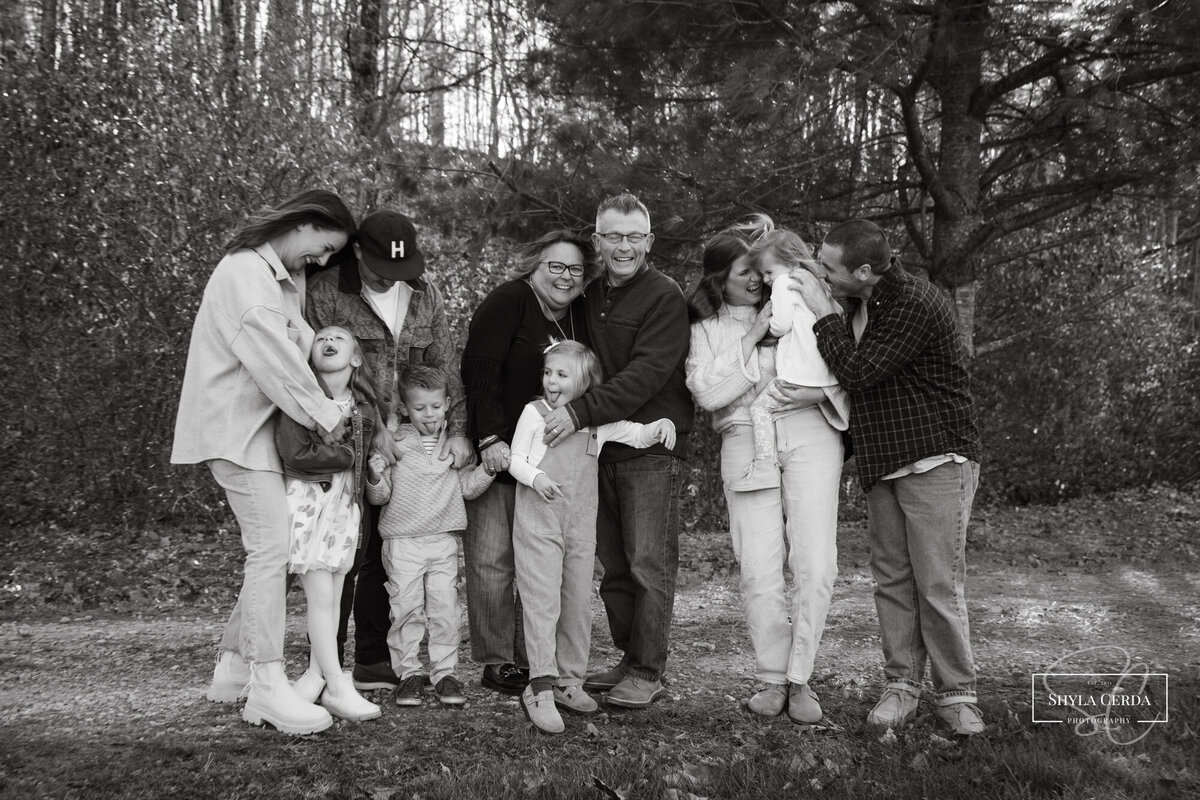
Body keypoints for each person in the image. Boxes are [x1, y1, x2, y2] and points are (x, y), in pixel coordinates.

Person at [172, 189, 355, 735]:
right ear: (301, 223)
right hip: (236, 431)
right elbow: (278, 362)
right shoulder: (246, 275)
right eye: (322, 248)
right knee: (272, 550)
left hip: (254, 433)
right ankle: (268, 687)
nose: (320, 262)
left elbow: (295, 340)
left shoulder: (274, 275)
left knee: (269, 550)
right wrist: (327, 414)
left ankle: (233, 669)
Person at [792, 218, 984, 736]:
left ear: (864, 270)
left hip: (935, 458)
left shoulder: (914, 302)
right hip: (883, 462)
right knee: (893, 582)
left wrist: (819, 312)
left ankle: (957, 695)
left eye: (830, 269)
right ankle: (901, 686)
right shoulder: (858, 301)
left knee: (938, 584)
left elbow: (857, 372)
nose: (823, 275)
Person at [684, 218, 848, 725]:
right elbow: (708, 394)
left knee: (816, 565)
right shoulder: (704, 330)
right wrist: (755, 333)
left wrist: (820, 392)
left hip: (811, 430)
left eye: (758, 270)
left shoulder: (802, 299)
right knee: (758, 571)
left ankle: (802, 679)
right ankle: (772, 679)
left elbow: (847, 363)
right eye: (743, 273)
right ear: (719, 279)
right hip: (742, 438)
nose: (755, 280)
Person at [307, 209, 474, 692]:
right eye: (382, 268)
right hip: (345, 437)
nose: (394, 279)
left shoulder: (425, 294)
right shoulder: (326, 294)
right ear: (358, 251)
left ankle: (375, 659)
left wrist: (458, 428)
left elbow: (444, 365)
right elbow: (316, 369)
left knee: (391, 552)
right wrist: (372, 425)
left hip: (412, 447)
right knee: (342, 552)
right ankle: (326, 667)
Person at [540, 193, 693, 709]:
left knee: (650, 562)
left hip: (649, 449)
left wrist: (581, 412)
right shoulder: (586, 297)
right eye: (613, 236)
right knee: (616, 565)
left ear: (648, 242)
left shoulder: (663, 296)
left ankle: (649, 671)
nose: (623, 246)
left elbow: (646, 374)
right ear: (597, 240)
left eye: (634, 237)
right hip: (597, 450)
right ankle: (630, 658)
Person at [508, 340, 677, 733]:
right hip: (539, 522)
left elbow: (634, 433)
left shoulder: (595, 422)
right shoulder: (534, 414)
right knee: (542, 601)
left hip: (580, 527)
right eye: (548, 373)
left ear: (585, 383)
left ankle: (570, 680)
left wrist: (659, 426)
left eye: (562, 375)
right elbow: (516, 459)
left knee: (576, 604)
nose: (552, 381)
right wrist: (537, 478)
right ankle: (540, 686)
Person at [460, 230, 598, 696]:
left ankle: (536, 658)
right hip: (503, 447)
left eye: (575, 269)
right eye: (555, 266)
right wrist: (489, 438)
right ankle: (499, 659)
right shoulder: (507, 303)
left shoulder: (579, 316)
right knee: (493, 557)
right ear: (534, 266)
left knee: (542, 563)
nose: (565, 276)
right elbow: (479, 374)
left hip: (557, 457)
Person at [277, 326, 389, 722]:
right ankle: (338, 685)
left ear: (356, 359)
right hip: (308, 506)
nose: (327, 341)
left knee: (335, 599)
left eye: (338, 339)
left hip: (345, 510)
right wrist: (346, 455)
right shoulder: (300, 400)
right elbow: (295, 455)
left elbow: (367, 459)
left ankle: (312, 676)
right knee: (322, 600)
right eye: (321, 337)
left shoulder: (364, 410)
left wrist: (368, 464)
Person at [366, 365, 495, 707]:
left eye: (436, 407)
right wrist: (375, 477)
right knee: (406, 609)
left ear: (448, 404)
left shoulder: (456, 445)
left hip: (443, 540)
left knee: (444, 609)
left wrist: (488, 469)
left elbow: (467, 488)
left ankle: (445, 674)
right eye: (420, 408)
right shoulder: (394, 443)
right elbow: (379, 498)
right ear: (406, 408)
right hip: (402, 541)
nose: (429, 415)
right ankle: (409, 675)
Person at [728, 225, 843, 492]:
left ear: (789, 262)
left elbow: (780, 324)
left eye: (768, 272)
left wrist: (766, 325)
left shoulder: (784, 282)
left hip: (796, 372)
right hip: (820, 373)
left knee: (759, 409)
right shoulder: (817, 285)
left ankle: (764, 465)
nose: (766, 279)